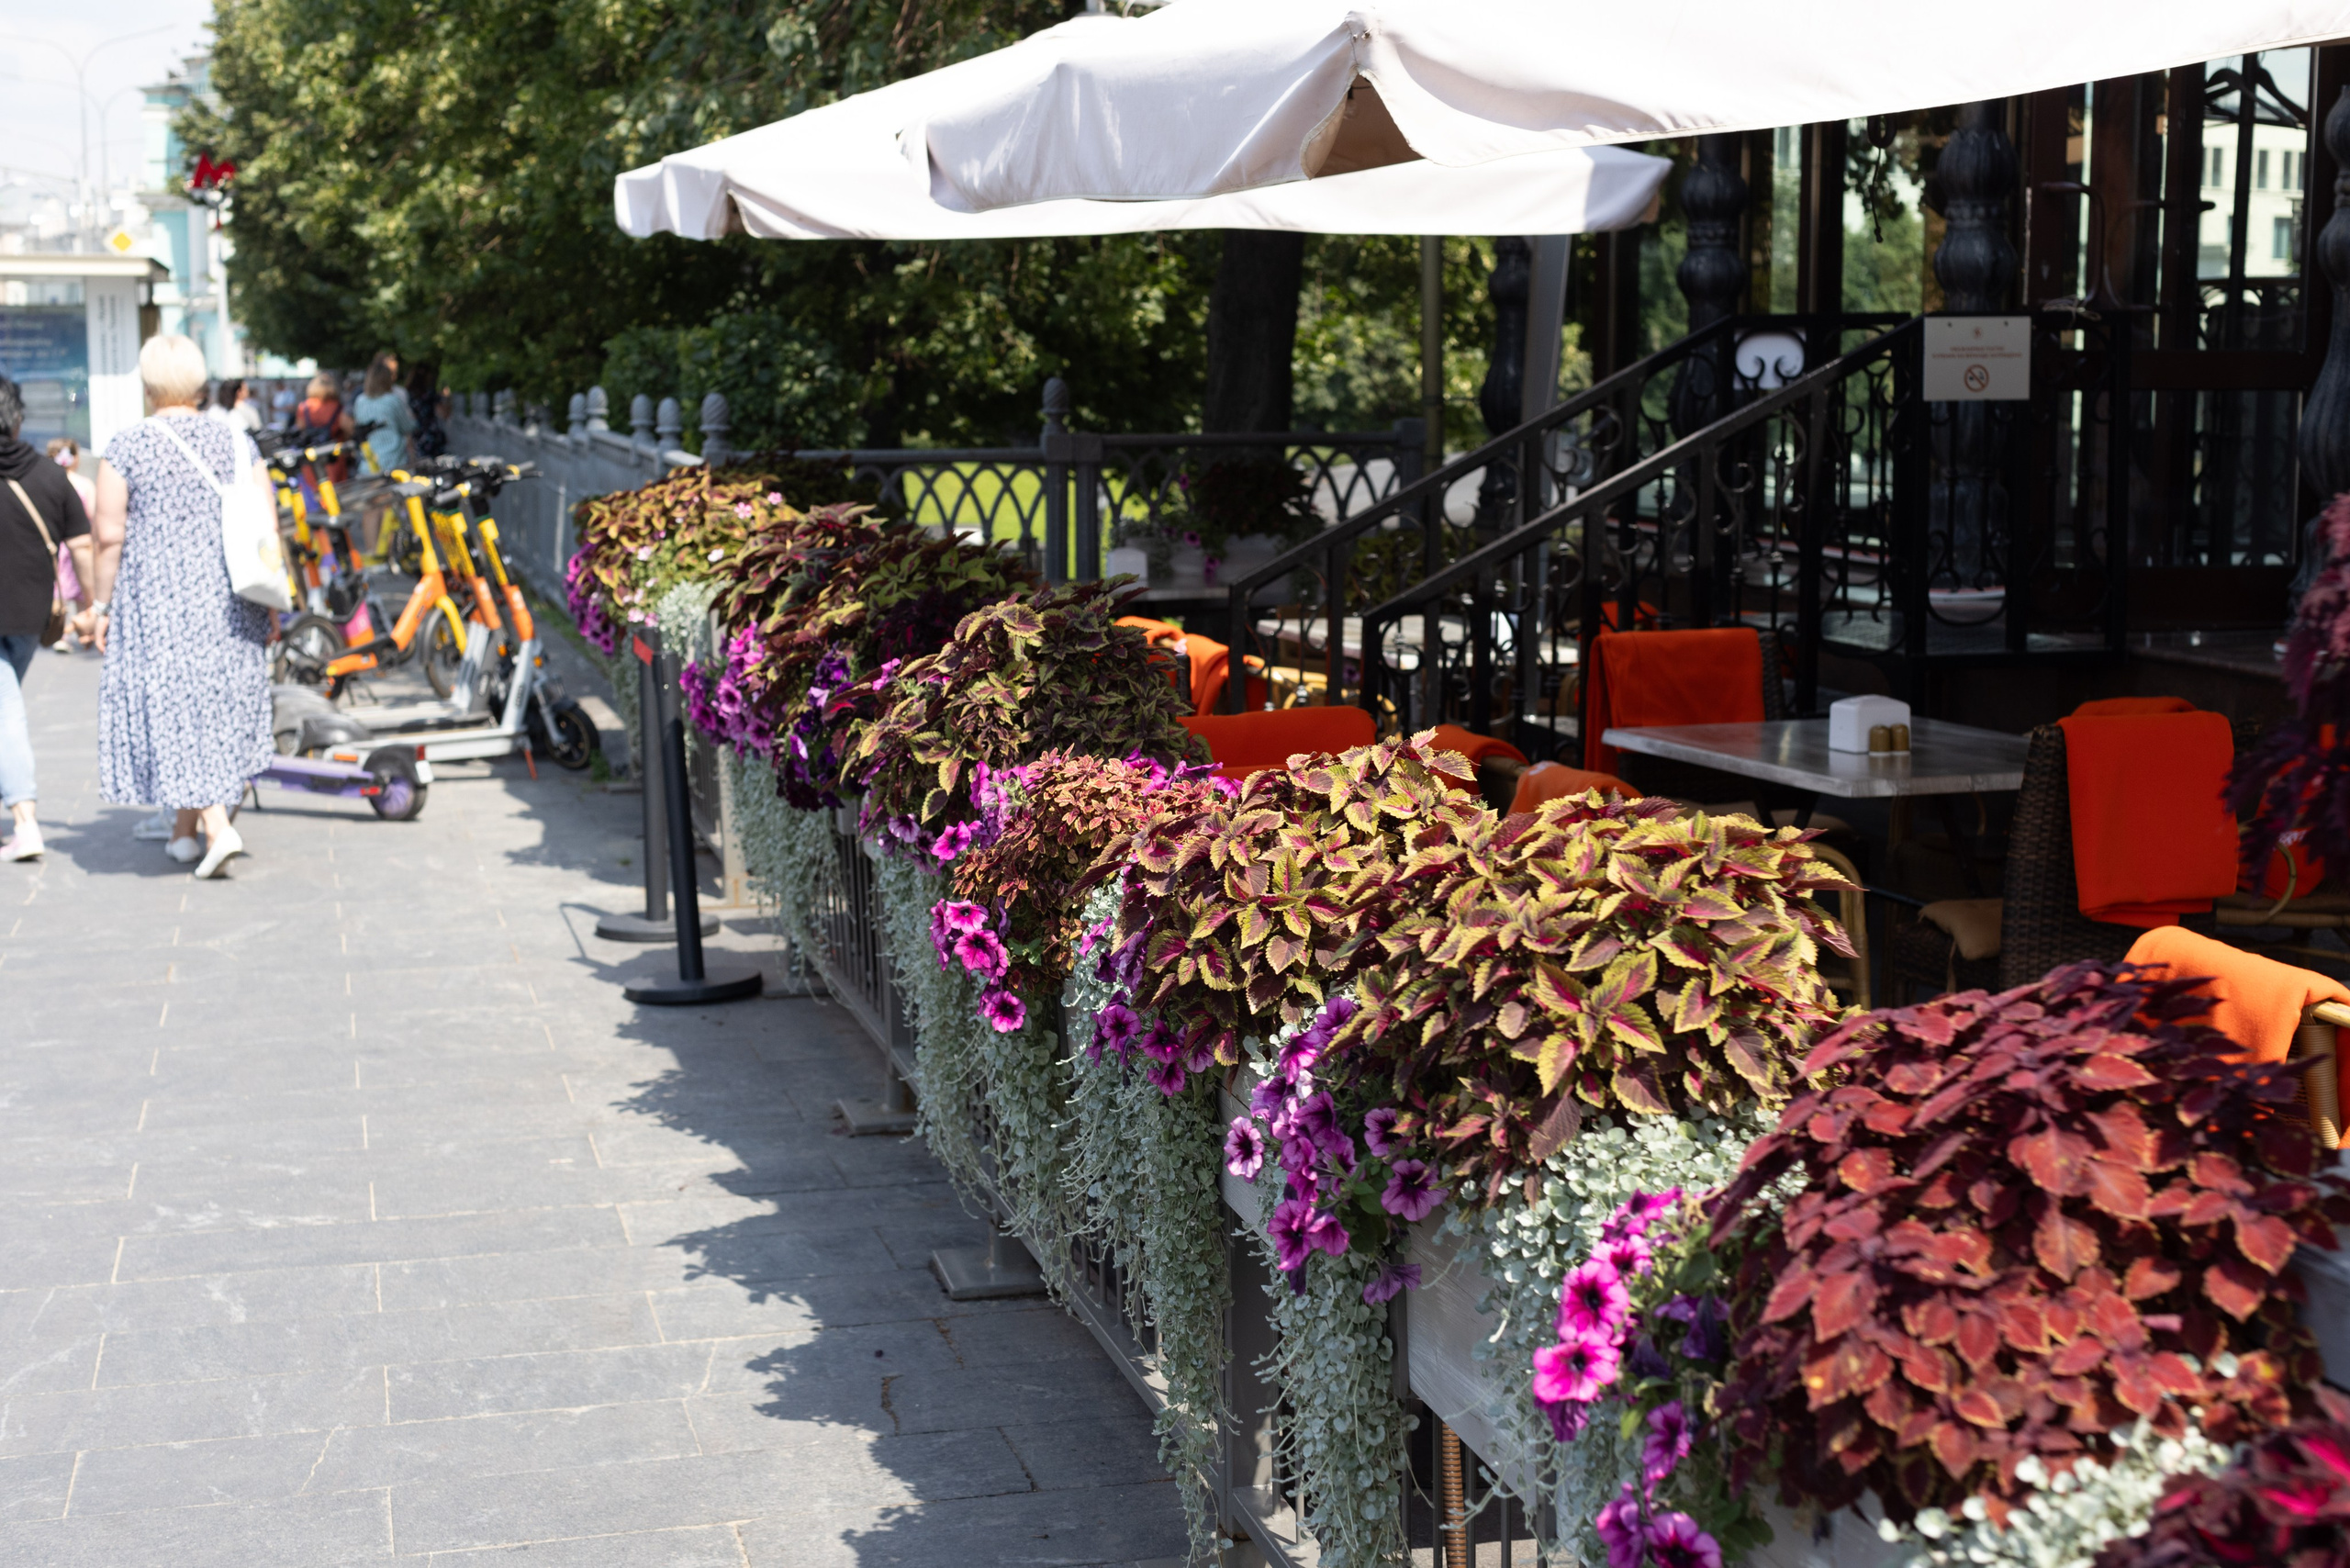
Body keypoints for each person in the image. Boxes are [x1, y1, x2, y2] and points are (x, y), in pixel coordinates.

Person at [84, 333, 274, 879]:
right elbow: (266, 522)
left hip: (159, 599)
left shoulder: (128, 446)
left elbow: (109, 535)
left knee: (173, 708)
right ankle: (182, 835)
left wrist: (100, 604)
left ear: (148, 386)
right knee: (213, 706)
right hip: (233, 594)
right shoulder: (237, 441)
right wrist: (273, 601)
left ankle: (216, 826)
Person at [0, 378, 96, 861]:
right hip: (32, 616)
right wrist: (90, 607)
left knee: (4, 710)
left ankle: (24, 822)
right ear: (17, 421)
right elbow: (81, 546)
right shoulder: (50, 477)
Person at [43, 439, 97, 654]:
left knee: (60, 590)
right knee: (85, 591)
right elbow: (92, 514)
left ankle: (61, 634)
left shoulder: (47, 484)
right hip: (81, 541)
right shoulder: (84, 484)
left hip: (57, 544)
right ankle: (87, 631)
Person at [350, 353, 415, 476]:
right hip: (394, 462)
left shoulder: (360, 401)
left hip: (369, 463)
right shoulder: (392, 400)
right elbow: (407, 427)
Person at [408, 360, 449, 460]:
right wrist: (447, 398)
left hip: (417, 435)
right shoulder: (429, 394)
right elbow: (444, 414)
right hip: (431, 435)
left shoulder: (408, 393)